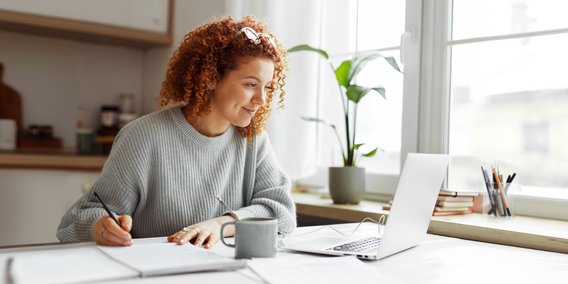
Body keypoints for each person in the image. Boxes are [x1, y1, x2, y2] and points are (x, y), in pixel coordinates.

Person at [57, 16, 296, 248]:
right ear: (211, 77)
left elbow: (281, 212)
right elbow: (78, 219)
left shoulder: (254, 140)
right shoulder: (142, 137)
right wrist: (102, 227)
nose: (262, 99)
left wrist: (222, 223)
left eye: (267, 87)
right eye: (251, 84)